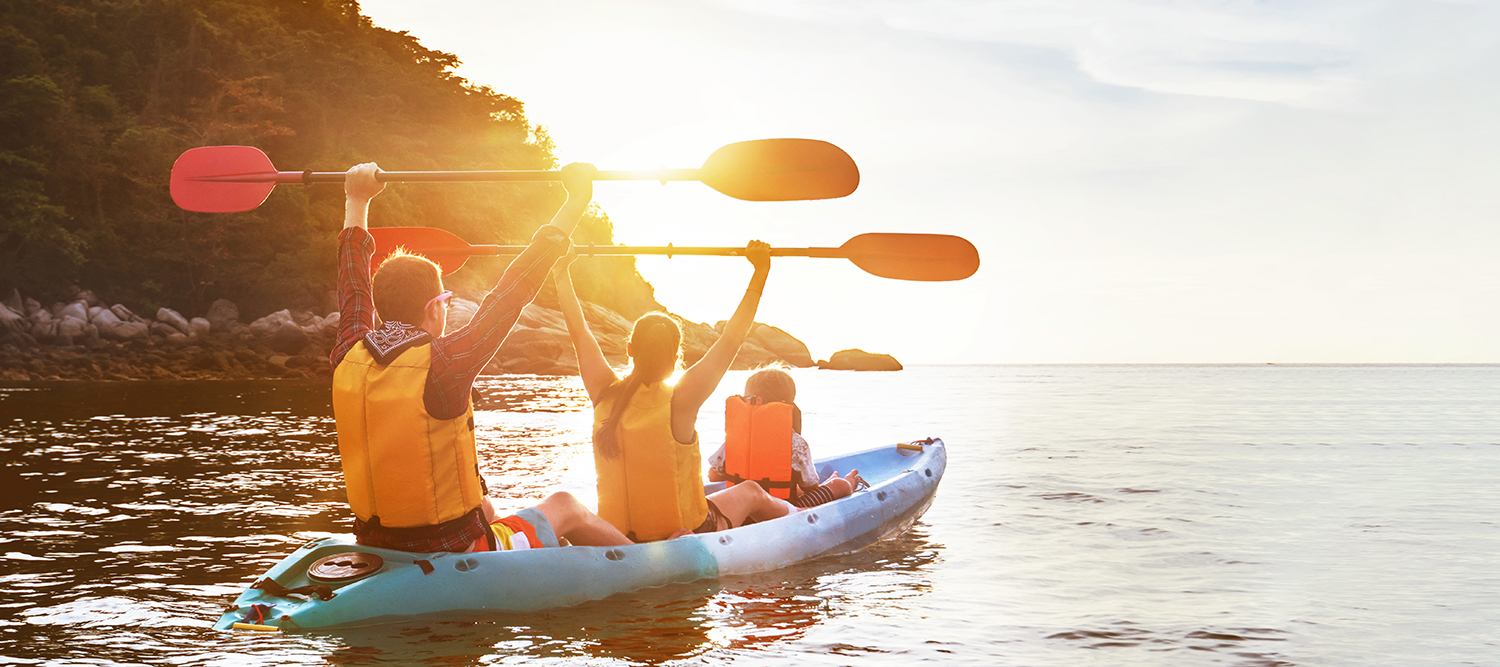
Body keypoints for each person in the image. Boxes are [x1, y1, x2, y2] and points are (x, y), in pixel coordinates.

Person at [329, 160, 632, 553]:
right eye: (445, 299)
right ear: (435, 307)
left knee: (487, 504)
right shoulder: (445, 363)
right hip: (455, 548)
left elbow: (352, 281)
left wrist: (356, 198)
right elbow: (514, 290)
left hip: (378, 543)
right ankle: (650, 562)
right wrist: (577, 201)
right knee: (566, 506)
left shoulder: (348, 350)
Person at [554, 242, 801, 542]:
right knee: (751, 491)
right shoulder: (681, 400)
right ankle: (804, 519)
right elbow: (732, 338)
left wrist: (561, 271)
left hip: (615, 536)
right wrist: (761, 270)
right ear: (675, 357)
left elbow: (579, 332)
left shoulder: (603, 392)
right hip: (686, 534)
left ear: (630, 349)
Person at [707, 365, 863, 508]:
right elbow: (810, 486)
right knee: (839, 485)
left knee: (794, 488)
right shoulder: (795, 443)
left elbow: (713, 475)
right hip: (781, 510)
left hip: (740, 507)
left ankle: (829, 482)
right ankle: (845, 483)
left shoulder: (735, 439)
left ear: (755, 401)